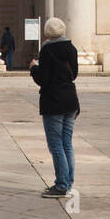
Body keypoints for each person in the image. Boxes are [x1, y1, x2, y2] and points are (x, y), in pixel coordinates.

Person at [30, 17, 79, 198]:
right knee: (67, 143)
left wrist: (34, 68)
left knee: (56, 145)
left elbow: (43, 79)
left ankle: (61, 185)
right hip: (70, 100)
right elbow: (73, 74)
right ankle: (68, 182)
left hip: (53, 101)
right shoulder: (71, 48)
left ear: (47, 32)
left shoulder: (48, 50)